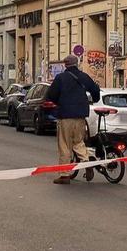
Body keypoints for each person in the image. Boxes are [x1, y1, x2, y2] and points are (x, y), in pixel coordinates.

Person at [43, 54, 101, 184]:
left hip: (65, 115)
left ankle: (64, 175)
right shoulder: (84, 76)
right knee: (78, 141)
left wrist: (61, 102)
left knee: (64, 144)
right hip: (81, 115)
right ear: (77, 63)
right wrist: (93, 99)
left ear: (65, 65)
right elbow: (95, 91)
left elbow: (51, 95)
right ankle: (86, 162)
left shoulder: (60, 78)